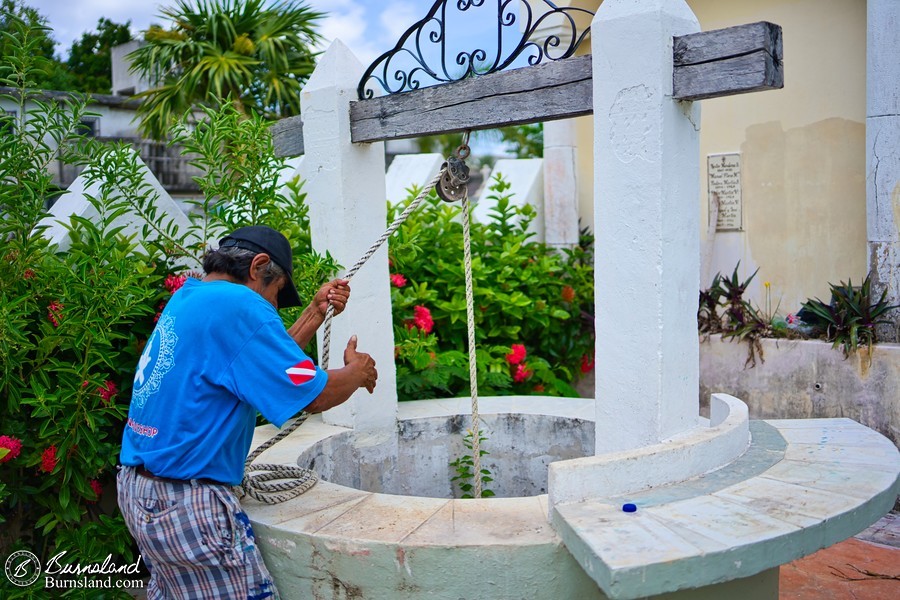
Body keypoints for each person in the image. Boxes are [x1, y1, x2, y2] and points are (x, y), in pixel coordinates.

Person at [116, 225, 377, 599]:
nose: (270, 306)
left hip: (141, 491)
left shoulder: (193, 296)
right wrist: (356, 373)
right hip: (188, 501)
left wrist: (314, 315)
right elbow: (311, 396)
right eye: (275, 295)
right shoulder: (241, 304)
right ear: (258, 266)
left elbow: (258, 364)